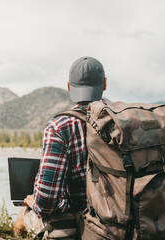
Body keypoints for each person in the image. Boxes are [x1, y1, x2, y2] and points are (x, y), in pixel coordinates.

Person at [13, 56, 107, 238]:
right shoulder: (122, 125)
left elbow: (47, 204)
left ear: (69, 86)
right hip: (119, 220)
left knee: (25, 211)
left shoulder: (60, 127)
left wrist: (34, 203)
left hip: (82, 224)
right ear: (104, 84)